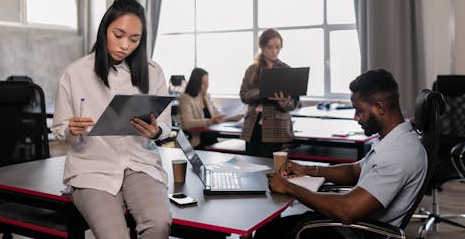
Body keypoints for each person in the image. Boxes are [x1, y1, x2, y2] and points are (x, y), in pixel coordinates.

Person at [254, 68, 428, 239]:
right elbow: (354, 171)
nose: (355, 117)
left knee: (267, 233)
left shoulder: (398, 153)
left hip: (355, 232)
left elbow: (346, 211)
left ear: (379, 108)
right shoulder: (392, 139)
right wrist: (307, 169)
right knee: (271, 228)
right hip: (350, 226)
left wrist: (288, 187)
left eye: (359, 110)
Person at [51, 0, 171, 239]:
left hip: (140, 163)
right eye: (118, 35)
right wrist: (70, 129)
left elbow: (165, 125)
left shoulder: (152, 71)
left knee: (158, 224)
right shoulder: (75, 73)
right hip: (92, 167)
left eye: (134, 40)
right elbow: (59, 128)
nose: (125, 45)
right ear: (105, 29)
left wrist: (156, 132)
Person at [239, 28, 298, 157]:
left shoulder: (286, 70)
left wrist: (284, 102)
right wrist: (262, 91)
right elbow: (243, 96)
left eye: (277, 47)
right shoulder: (252, 70)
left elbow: (294, 104)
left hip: (277, 127)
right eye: (269, 47)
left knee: (272, 168)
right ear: (262, 47)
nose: (274, 51)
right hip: (253, 126)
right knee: (250, 165)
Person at [179, 67, 225, 148]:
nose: (207, 85)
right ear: (195, 83)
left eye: (207, 82)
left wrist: (235, 117)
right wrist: (209, 121)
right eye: (203, 83)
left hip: (212, 139)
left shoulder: (206, 96)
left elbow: (217, 114)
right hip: (199, 142)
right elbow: (187, 123)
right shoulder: (186, 98)